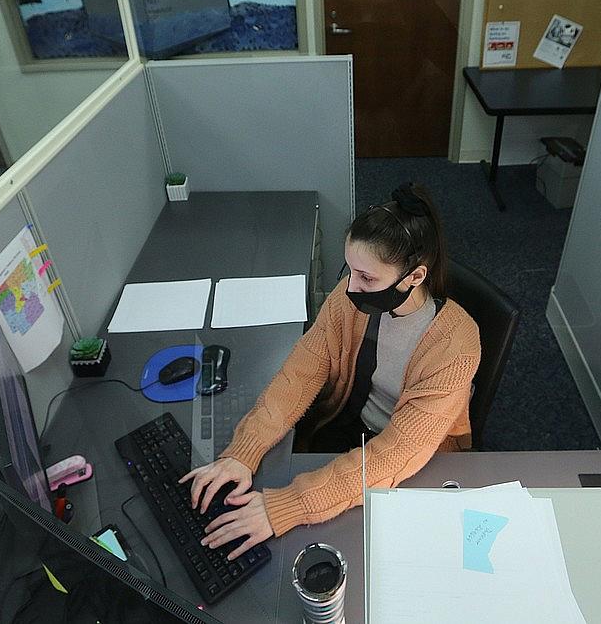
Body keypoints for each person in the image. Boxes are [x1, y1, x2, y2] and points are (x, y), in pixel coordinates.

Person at [180, 183, 481, 561]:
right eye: (350, 270)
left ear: (415, 277)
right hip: (348, 421)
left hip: (414, 458)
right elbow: (300, 373)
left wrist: (286, 506)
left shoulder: (457, 344)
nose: (350, 288)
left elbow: (397, 453)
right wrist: (245, 450)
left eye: (367, 278)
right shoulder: (348, 297)